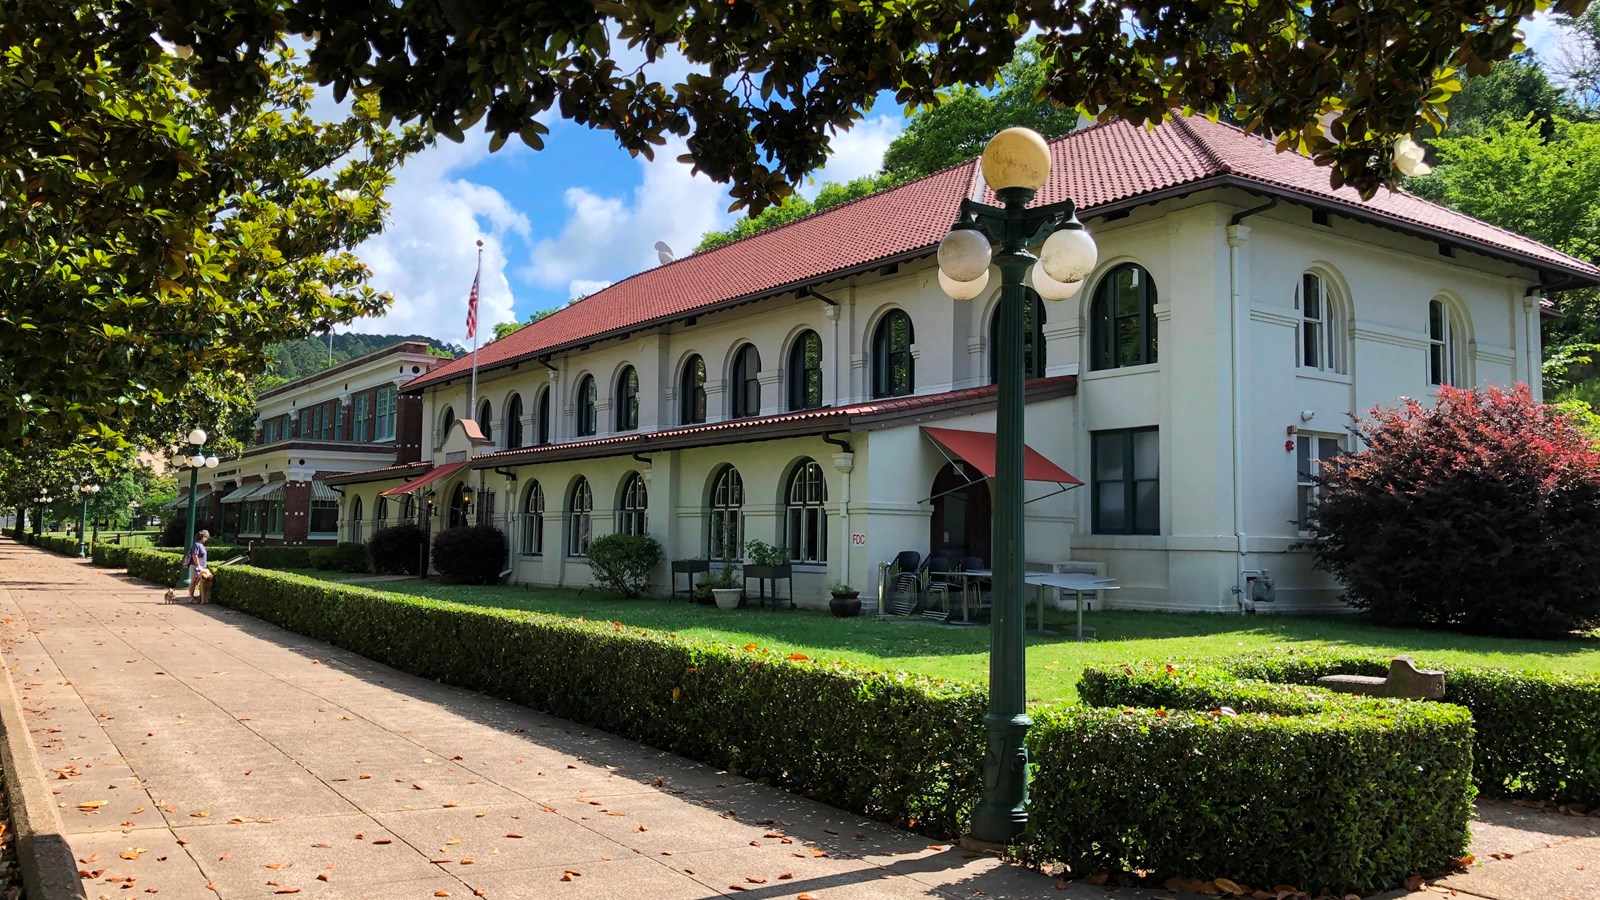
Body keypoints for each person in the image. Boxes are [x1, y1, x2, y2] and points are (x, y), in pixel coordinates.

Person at [187, 529, 212, 602]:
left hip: (201, 567)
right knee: (194, 581)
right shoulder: (196, 545)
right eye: (206, 537)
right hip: (196, 566)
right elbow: (195, 555)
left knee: (197, 581)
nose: (206, 539)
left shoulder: (201, 545)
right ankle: (191, 597)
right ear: (203, 537)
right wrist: (198, 566)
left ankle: (197, 597)